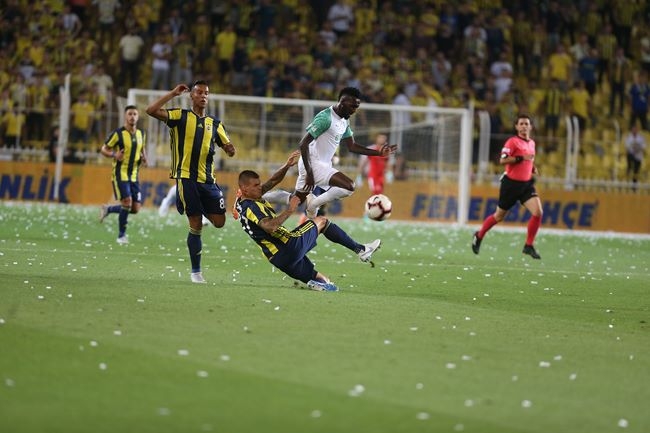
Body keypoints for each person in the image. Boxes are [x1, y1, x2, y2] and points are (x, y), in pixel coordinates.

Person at [234, 151, 381, 292]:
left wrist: (286, 166)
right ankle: (361, 249)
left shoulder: (247, 200)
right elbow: (269, 227)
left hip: (278, 259)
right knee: (322, 221)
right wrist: (290, 209)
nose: (260, 187)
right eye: (256, 186)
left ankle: (317, 283)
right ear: (244, 189)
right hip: (289, 246)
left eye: (259, 184)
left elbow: (272, 181)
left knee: (325, 282)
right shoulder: (252, 206)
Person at [145, 81, 236, 284]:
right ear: (191, 96)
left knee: (219, 222)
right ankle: (196, 272)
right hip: (186, 178)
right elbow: (150, 110)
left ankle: (188, 203)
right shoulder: (180, 116)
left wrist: (230, 149)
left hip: (208, 180)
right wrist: (172, 93)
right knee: (195, 224)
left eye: (206, 93)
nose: (203, 96)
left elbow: (228, 146)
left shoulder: (215, 124)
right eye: (199, 92)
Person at [295, 87, 397, 218]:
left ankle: (269, 198)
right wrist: (309, 173)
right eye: (352, 106)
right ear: (342, 102)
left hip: (323, 165)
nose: (354, 110)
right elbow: (303, 144)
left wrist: (378, 153)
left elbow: (352, 146)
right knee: (348, 186)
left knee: (295, 201)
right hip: (312, 163)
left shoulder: (344, 121)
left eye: (356, 107)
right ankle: (313, 204)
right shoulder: (326, 117)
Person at [472, 114, 543, 259]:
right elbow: (503, 160)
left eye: (526, 124)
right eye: (521, 124)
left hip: (526, 185)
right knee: (498, 216)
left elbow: (528, 160)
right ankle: (479, 235)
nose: (524, 126)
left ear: (530, 127)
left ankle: (528, 245)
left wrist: (532, 167)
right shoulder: (512, 142)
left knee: (538, 212)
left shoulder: (532, 143)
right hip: (511, 185)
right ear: (516, 127)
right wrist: (521, 158)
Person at [98, 105, 147, 244]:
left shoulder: (141, 133)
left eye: (135, 114)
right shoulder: (118, 134)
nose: (132, 117)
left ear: (138, 117)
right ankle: (121, 235)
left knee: (135, 209)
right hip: (121, 173)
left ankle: (108, 209)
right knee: (127, 202)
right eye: (130, 114)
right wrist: (114, 154)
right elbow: (104, 149)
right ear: (125, 116)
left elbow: (142, 148)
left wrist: (144, 157)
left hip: (134, 174)